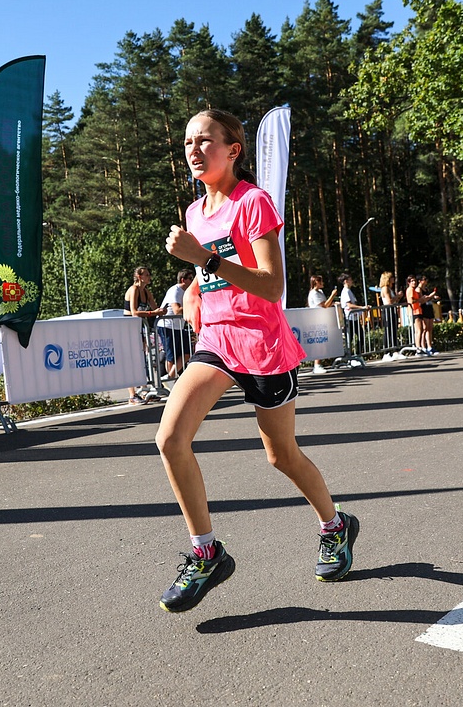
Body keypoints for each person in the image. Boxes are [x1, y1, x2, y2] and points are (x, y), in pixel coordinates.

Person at [154, 109, 358, 613]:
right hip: (219, 341)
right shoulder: (195, 212)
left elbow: (271, 284)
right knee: (170, 438)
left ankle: (335, 526)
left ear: (234, 150)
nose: (194, 150)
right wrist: (198, 292)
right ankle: (207, 553)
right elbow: (211, 276)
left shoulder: (254, 203)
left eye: (205, 141)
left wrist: (203, 261)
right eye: (187, 143)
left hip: (264, 344)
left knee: (281, 456)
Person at [124, 266, 165, 403]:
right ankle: (132, 394)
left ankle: (145, 390)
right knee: (132, 360)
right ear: (140, 277)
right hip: (129, 327)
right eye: (147, 275)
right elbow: (134, 311)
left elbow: (155, 307)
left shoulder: (146, 292)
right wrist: (154, 313)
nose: (149, 277)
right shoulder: (134, 289)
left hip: (140, 327)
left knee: (142, 358)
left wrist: (162, 310)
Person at [157, 269, 195, 380]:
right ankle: (171, 380)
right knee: (171, 357)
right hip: (167, 326)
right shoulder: (176, 290)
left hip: (178, 327)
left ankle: (170, 378)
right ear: (183, 280)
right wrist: (193, 304)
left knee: (187, 353)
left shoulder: (186, 292)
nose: (192, 281)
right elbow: (177, 310)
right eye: (190, 279)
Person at [306, 274, 338, 373]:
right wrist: (332, 296)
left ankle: (319, 363)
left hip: (322, 318)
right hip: (316, 319)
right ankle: (317, 364)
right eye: (321, 281)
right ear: (316, 282)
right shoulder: (313, 293)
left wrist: (333, 303)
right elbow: (324, 305)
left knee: (322, 342)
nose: (323, 283)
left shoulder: (320, 292)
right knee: (318, 342)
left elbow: (326, 303)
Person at [339, 273, 370, 356]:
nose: (352, 281)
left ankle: (357, 355)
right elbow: (349, 305)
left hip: (354, 318)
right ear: (346, 281)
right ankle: (350, 356)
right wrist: (362, 307)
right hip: (350, 319)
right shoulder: (345, 291)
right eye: (350, 280)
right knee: (351, 338)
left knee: (361, 336)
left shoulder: (349, 291)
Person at [378, 271, 402, 358]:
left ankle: (395, 351)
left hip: (392, 309)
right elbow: (389, 301)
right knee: (388, 331)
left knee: (394, 330)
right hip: (387, 310)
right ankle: (386, 352)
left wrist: (398, 297)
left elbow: (394, 301)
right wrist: (397, 296)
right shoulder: (385, 288)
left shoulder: (389, 288)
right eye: (391, 278)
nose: (393, 279)